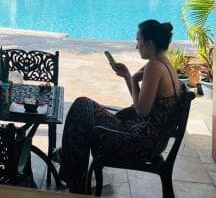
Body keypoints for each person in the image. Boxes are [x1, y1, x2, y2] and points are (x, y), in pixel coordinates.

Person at [59, 19, 182, 193]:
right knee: (83, 111)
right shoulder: (164, 64)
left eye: (138, 41)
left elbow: (142, 110)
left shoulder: (154, 67)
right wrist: (127, 76)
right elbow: (142, 104)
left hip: (137, 143)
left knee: (81, 107)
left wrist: (134, 80)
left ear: (150, 44)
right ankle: (70, 164)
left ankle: (72, 174)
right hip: (148, 138)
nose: (137, 46)